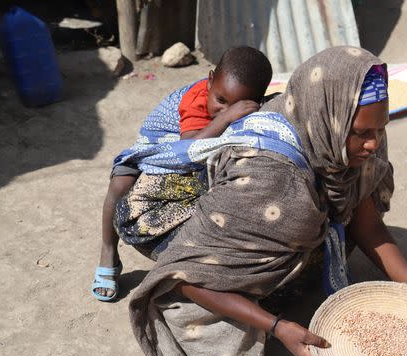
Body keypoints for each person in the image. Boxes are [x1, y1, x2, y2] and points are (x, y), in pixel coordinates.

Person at [123, 46, 407, 356]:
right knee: (275, 283)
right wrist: (277, 327)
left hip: (254, 206)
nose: (373, 145)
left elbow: (364, 221)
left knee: (306, 243)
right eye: (361, 133)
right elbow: (183, 276)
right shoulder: (268, 179)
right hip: (163, 213)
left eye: (379, 130)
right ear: (331, 119)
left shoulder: (340, 132)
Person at [91, 46, 273, 301]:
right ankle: (108, 252)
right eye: (220, 100)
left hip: (192, 147)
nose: (224, 110)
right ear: (210, 81)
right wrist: (227, 118)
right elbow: (190, 146)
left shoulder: (251, 106)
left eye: (236, 105)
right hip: (157, 146)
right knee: (119, 184)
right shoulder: (196, 98)